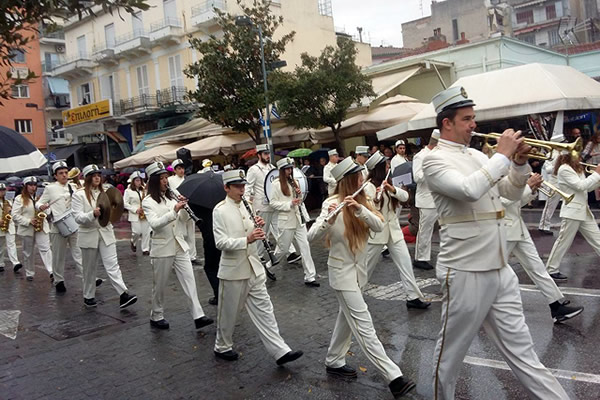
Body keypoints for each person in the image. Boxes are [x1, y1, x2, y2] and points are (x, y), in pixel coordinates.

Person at [423, 86, 568, 399]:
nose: (474, 125)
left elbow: (513, 193)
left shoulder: (476, 155)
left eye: (473, 118)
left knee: (524, 354)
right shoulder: (434, 162)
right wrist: (502, 155)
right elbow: (469, 190)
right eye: (466, 119)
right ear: (446, 123)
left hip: (500, 267)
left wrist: (517, 163)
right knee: (449, 358)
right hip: (465, 269)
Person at [307, 156, 416, 399]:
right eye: (358, 175)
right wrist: (329, 219)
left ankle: (334, 360)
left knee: (345, 319)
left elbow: (379, 226)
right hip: (341, 274)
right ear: (349, 180)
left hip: (359, 272)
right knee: (364, 325)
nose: (362, 178)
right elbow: (311, 236)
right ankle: (393, 377)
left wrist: (360, 210)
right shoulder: (331, 203)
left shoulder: (363, 200)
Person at [212, 169, 304, 365]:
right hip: (233, 270)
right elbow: (220, 243)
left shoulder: (247, 205)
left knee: (265, 310)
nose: (242, 189)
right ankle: (222, 346)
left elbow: (252, 230)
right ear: (226, 188)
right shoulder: (220, 210)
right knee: (228, 313)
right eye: (237, 186)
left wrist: (257, 226)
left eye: (243, 185)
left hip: (254, 267)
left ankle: (280, 351)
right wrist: (247, 239)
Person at [502, 173, 583, 323]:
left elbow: (517, 203)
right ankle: (475, 306)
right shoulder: (494, 172)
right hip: (503, 230)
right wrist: (527, 187)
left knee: (538, 268)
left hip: (517, 228)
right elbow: (503, 201)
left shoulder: (511, 170)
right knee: (492, 271)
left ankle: (556, 306)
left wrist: (532, 190)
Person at [143, 161, 213, 330]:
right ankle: (156, 315)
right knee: (159, 285)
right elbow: (155, 224)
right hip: (162, 247)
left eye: (166, 177)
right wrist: (174, 210)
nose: (166, 181)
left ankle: (198, 315)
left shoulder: (172, 195)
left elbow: (183, 220)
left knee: (190, 281)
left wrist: (185, 207)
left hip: (179, 245)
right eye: (162, 178)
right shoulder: (148, 202)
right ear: (154, 181)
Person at [364, 152, 430, 310]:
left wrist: (392, 189)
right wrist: (377, 198)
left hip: (393, 232)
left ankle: (413, 297)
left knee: (405, 263)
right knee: (365, 268)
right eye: (385, 166)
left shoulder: (389, 182)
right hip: (377, 234)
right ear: (378, 169)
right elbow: (369, 210)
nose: (388, 168)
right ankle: (354, 295)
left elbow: (405, 196)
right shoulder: (368, 187)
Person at [72, 164, 138, 309]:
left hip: (106, 233)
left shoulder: (107, 191)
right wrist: (92, 214)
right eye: (94, 175)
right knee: (89, 268)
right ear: (88, 178)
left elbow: (115, 209)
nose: (97, 177)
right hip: (89, 235)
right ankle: (88, 295)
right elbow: (77, 217)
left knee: (112, 265)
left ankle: (123, 294)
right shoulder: (79, 195)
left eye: (98, 175)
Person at [38, 161, 96, 293]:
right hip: (58, 226)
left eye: (65, 172)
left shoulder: (74, 187)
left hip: (74, 224)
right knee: (58, 256)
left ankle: (89, 278)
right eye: (61, 173)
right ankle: (59, 280)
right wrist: (42, 207)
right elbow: (39, 203)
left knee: (79, 253)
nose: (64, 175)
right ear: (55, 176)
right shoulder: (50, 188)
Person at [545, 150, 600, 282]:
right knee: (563, 241)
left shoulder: (578, 169)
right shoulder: (564, 169)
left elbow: (587, 188)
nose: (580, 158)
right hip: (572, 210)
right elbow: (581, 186)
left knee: (597, 239)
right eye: (577, 155)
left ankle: (551, 269)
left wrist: (598, 179)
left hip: (583, 210)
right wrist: (597, 174)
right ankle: (551, 269)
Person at [245, 144, 300, 271]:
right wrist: (249, 204)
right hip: (262, 206)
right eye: (265, 154)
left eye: (268, 153)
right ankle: (258, 256)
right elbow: (248, 188)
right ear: (259, 155)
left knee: (281, 229)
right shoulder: (254, 169)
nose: (268, 156)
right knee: (262, 231)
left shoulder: (273, 168)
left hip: (275, 204)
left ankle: (289, 252)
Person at [270, 157, 319, 287]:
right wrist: (289, 204)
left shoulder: (294, 181)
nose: (289, 171)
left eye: (290, 168)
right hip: (286, 221)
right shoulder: (276, 184)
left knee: (305, 247)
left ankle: (310, 276)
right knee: (282, 249)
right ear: (281, 171)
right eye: (286, 169)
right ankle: (268, 266)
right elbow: (273, 203)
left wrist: (299, 196)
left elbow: (300, 200)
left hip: (298, 219)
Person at [12, 177, 53, 281]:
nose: (33, 187)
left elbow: (48, 213)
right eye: (30, 185)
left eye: (34, 185)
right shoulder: (19, 199)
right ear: (25, 187)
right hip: (27, 228)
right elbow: (15, 215)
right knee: (28, 252)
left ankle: (52, 271)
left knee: (46, 249)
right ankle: (29, 272)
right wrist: (28, 221)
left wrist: (45, 209)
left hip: (41, 227)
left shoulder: (41, 197)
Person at [412, 130, 440, 270]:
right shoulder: (420, 156)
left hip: (439, 197)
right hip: (427, 199)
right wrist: (432, 170)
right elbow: (417, 177)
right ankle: (420, 257)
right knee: (425, 230)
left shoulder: (438, 155)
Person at [168, 159, 199, 265]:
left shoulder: (187, 179)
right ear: (174, 170)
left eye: (183, 168)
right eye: (179, 168)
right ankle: (181, 255)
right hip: (178, 208)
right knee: (180, 233)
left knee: (191, 234)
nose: (182, 170)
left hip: (189, 208)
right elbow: (170, 193)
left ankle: (192, 256)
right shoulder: (170, 180)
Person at [123, 171, 150, 255]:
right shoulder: (128, 191)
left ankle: (145, 249)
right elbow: (125, 203)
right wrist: (135, 209)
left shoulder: (144, 190)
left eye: (140, 180)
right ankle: (133, 241)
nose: (139, 182)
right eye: (137, 180)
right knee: (137, 232)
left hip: (144, 213)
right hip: (135, 214)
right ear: (133, 181)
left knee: (146, 232)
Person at [0, 184, 22, 273]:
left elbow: (15, 211)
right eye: (0, 190)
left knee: (11, 244)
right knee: (0, 247)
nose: (2, 192)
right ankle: (0, 263)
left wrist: (10, 209)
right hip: (0, 224)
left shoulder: (9, 200)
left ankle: (15, 263)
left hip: (9, 224)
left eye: (3, 190)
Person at [538, 149, 561, 235]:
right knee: (550, 206)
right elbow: (547, 170)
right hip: (555, 182)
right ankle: (543, 226)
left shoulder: (567, 153)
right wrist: (558, 164)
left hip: (567, 180)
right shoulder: (550, 154)